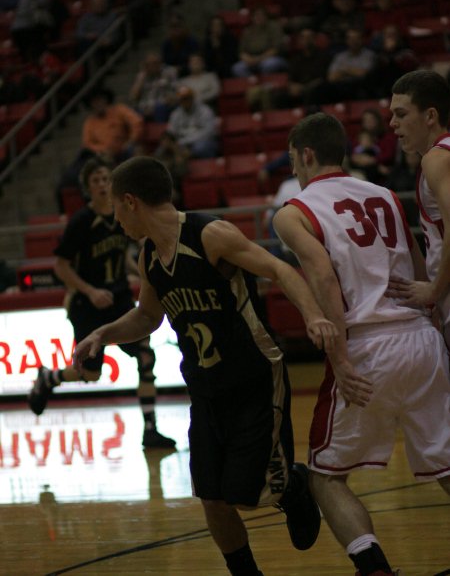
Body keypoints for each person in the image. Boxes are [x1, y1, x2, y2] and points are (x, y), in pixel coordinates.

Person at [71, 154, 342, 576]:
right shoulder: (149, 255)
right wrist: (102, 333)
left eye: (117, 209)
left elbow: (279, 268)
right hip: (204, 385)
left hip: (253, 375)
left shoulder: (210, 234)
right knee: (211, 499)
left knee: (243, 494)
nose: (116, 220)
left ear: (130, 201)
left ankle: (292, 485)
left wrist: (314, 316)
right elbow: (147, 317)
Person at [273, 111, 450, 576]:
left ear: (307, 154)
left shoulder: (294, 212)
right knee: (448, 465)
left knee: (325, 477)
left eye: (293, 160)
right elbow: (417, 266)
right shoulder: (386, 195)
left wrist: (341, 359)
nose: (293, 170)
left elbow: (324, 280)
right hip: (421, 337)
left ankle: (375, 570)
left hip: (368, 345)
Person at [28, 157, 176, 449]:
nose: (102, 185)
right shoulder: (82, 221)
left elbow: (120, 256)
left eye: (106, 179)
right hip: (87, 304)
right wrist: (91, 290)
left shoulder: (121, 216)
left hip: (118, 299)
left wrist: (141, 272)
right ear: (87, 189)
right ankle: (49, 377)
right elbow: (61, 266)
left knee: (146, 356)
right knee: (91, 373)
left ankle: (150, 429)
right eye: (95, 180)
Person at [388, 69, 450, 347]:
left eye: (401, 114)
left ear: (430, 116)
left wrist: (434, 291)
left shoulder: (436, 159)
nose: (392, 123)